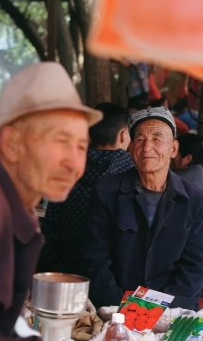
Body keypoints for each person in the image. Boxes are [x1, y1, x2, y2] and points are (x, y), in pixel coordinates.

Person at [0, 62, 102, 340]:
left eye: (81, 147)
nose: (73, 163)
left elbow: (9, 322)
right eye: (60, 141)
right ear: (12, 144)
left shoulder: (22, 213)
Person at [78, 106, 203, 310]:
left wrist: (160, 311)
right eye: (139, 139)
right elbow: (96, 261)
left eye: (157, 139)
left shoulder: (195, 200)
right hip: (117, 310)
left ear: (173, 149)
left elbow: (193, 267)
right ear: (130, 148)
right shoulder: (106, 192)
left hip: (173, 311)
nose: (147, 148)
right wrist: (125, 308)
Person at [37, 102, 134, 275]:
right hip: (114, 279)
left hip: (65, 274)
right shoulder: (133, 176)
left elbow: (48, 227)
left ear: (88, 135)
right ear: (123, 134)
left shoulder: (65, 171)